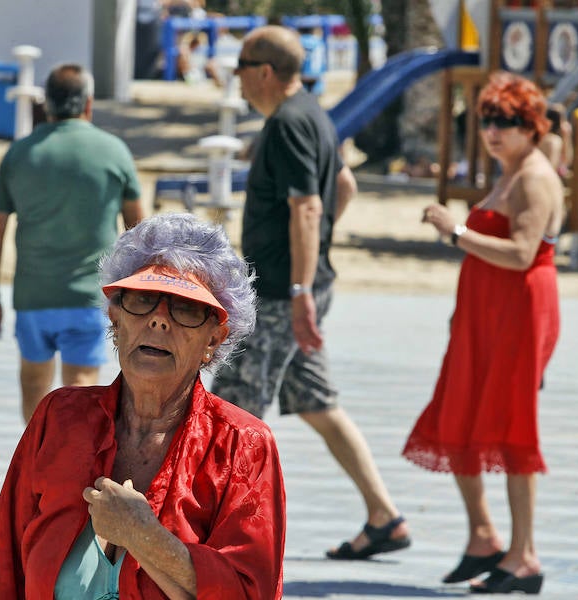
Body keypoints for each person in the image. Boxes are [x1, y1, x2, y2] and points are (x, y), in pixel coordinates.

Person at [0, 212, 285, 599]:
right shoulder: (60, 418)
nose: (158, 321)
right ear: (115, 319)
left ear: (214, 339)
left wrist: (144, 536)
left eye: (185, 309)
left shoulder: (243, 444)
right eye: (142, 300)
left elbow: (251, 590)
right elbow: (0, 573)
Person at [210, 25, 411, 560]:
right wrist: (315, 256)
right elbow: (343, 185)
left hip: (280, 294)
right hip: (298, 286)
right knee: (317, 402)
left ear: (265, 72)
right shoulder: (314, 115)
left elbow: (309, 205)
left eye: (241, 71)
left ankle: (225, 536)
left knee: (234, 409)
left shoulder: (289, 124)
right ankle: (384, 516)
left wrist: (299, 284)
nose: (239, 83)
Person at [403, 72, 561, 595]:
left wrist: (456, 232)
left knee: (514, 431)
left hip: (518, 315)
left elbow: (521, 253)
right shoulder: (509, 172)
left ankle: (524, 557)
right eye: (488, 120)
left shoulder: (535, 177)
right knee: (458, 417)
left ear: (532, 127)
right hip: (484, 316)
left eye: (508, 122)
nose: (494, 131)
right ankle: (483, 537)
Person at [0, 63, 143, 423]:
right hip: (90, 295)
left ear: (46, 105)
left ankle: (39, 469)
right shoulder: (114, 151)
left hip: (32, 296)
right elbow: (138, 232)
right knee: (84, 391)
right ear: (88, 103)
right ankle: (77, 474)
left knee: (34, 389)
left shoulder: (20, 153)